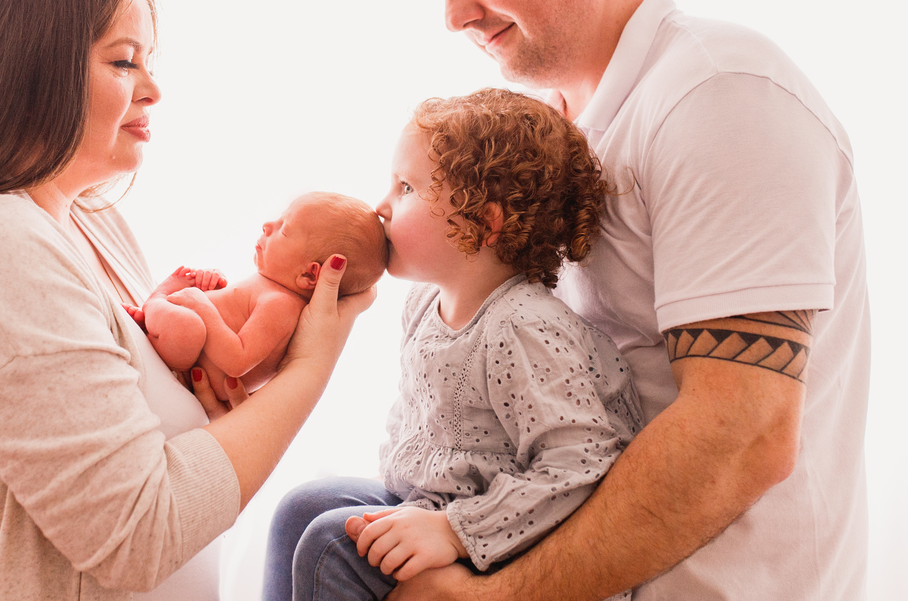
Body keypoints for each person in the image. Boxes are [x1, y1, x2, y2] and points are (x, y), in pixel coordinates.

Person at [382, 0, 870, 601]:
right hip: (573, 567)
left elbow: (743, 435)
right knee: (320, 524)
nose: (455, 14)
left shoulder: (720, 95)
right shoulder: (552, 136)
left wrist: (496, 597)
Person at [0, 0, 375, 601]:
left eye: (148, 61)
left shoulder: (92, 223)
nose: (153, 90)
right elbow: (136, 537)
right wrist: (309, 367)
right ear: (33, 71)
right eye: (124, 62)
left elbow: (150, 458)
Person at [263, 89, 642, 600]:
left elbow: (580, 465)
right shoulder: (423, 303)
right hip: (432, 504)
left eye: (406, 188)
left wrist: (456, 532)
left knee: (332, 544)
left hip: (510, 532)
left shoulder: (522, 327)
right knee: (303, 507)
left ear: (483, 223)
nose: (381, 206)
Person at [133, 192, 387, 401]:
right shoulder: (269, 287)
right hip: (185, 352)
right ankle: (153, 317)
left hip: (187, 356)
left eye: (284, 229)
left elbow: (237, 361)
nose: (267, 225)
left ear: (309, 275)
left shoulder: (282, 305)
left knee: (188, 329)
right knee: (188, 322)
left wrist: (201, 304)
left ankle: (156, 300)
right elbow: (229, 311)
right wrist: (213, 284)